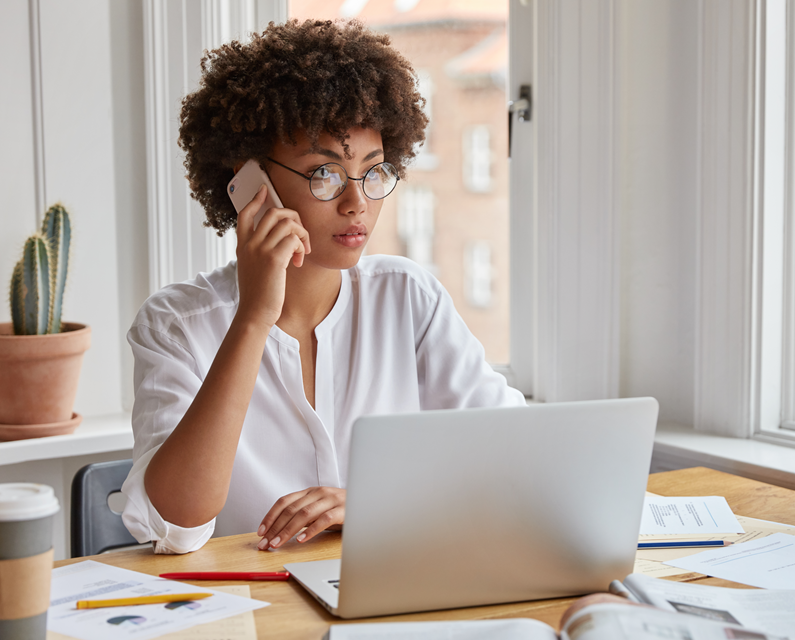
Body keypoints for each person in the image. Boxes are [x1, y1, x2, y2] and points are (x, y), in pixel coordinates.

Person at [121, 19, 524, 555]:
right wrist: (253, 319)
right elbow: (174, 525)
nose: (357, 202)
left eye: (374, 172)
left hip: (388, 596)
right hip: (253, 614)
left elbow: (517, 454)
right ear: (249, 184)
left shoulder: (407, 299)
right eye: (324, 174)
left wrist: (372, 503)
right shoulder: (176, 325)